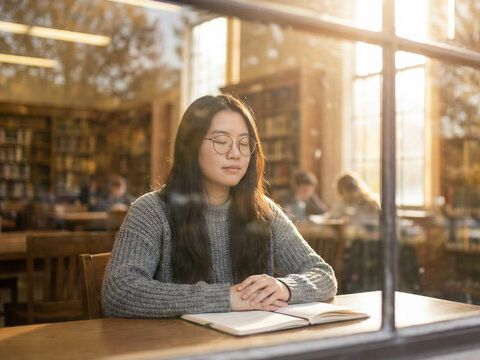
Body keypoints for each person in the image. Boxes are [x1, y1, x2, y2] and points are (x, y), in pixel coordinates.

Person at [102, 94, 337, 318]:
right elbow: (119, 292)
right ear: (191, 147)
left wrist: (285, 287)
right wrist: (225, 298)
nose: (235, 153)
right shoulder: (152, 210)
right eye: (221, 141)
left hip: (250, 346)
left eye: (244, 143)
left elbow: (323, 275)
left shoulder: (263, 211)